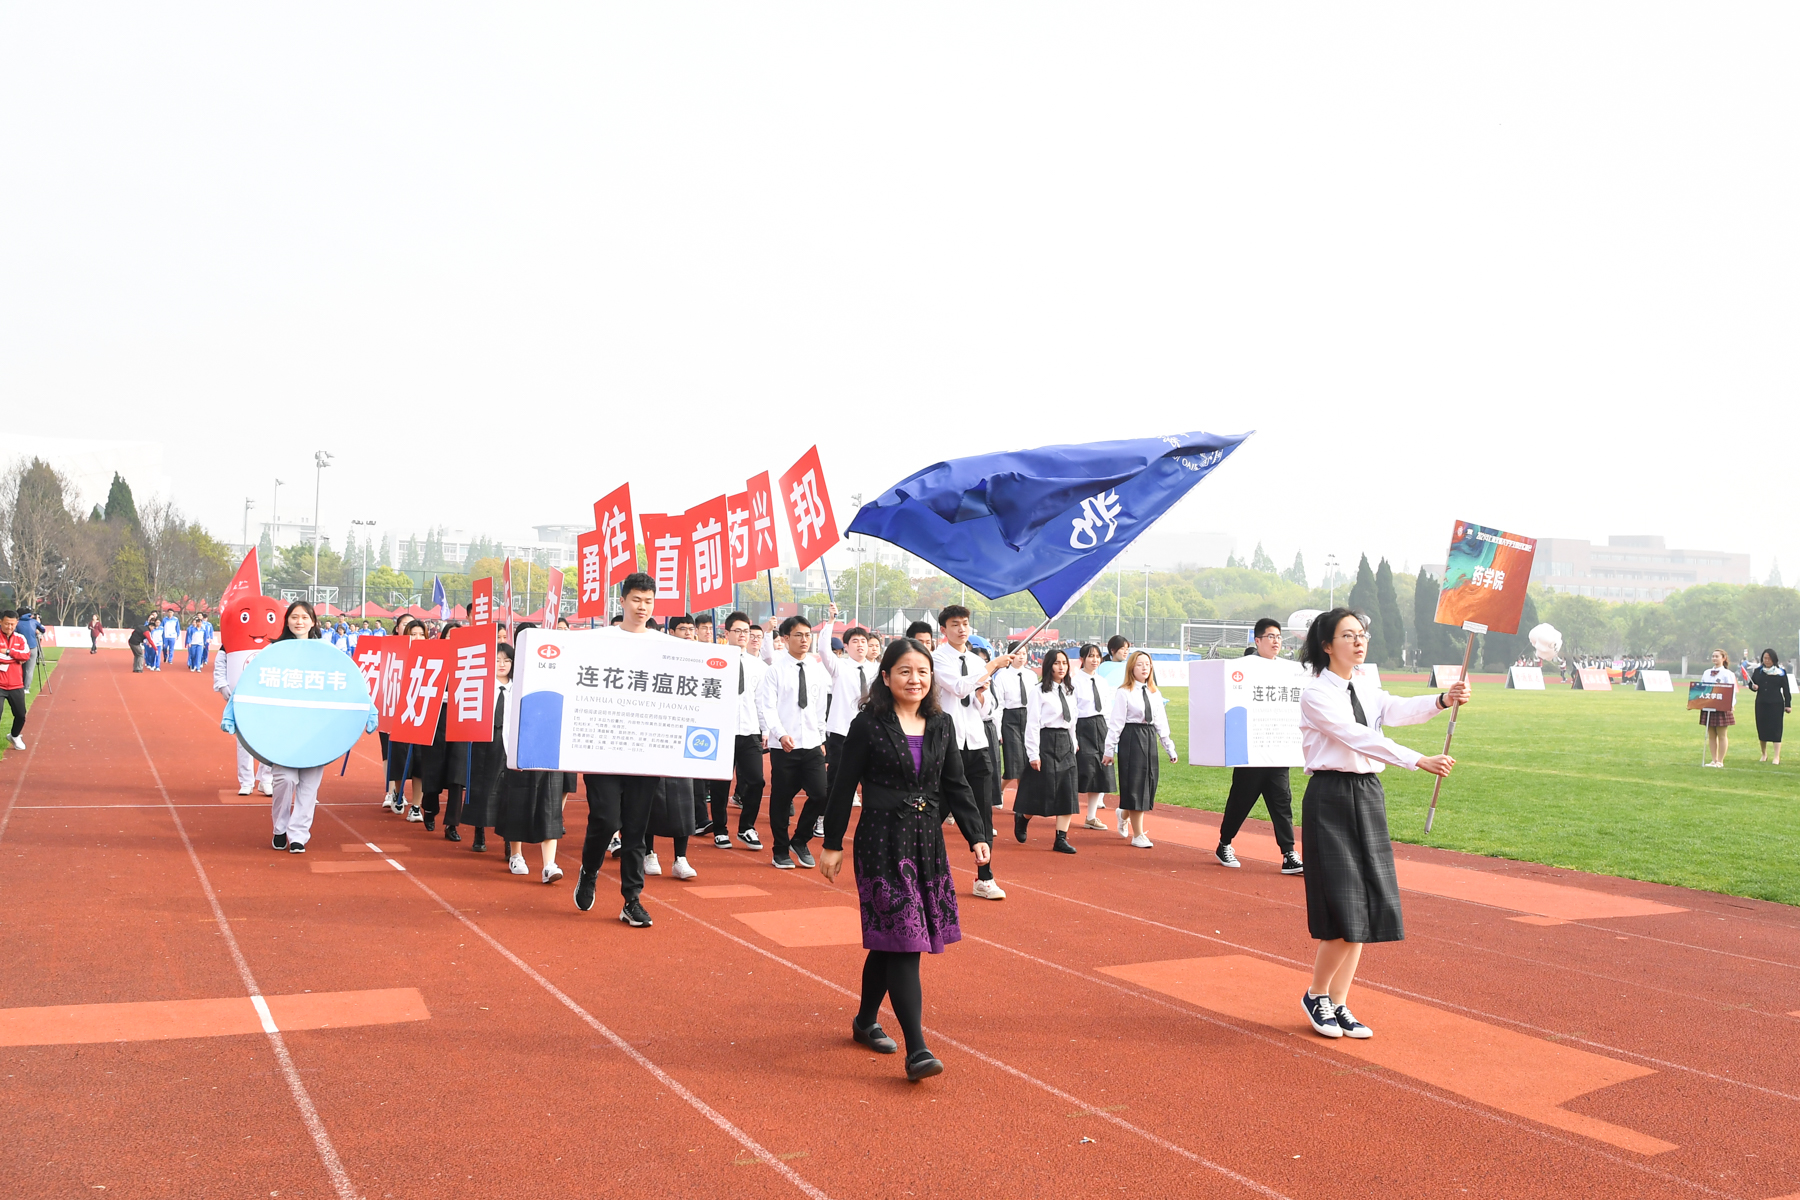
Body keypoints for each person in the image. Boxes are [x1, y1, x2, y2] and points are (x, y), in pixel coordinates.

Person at [817, 636, 990, 1082]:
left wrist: (976, 835)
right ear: (886, 676)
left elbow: (956, 784)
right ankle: (917, 1050)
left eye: (922, 672)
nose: (915, 679)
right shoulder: (867, 724)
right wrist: (832, 842)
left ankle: (864, 1022)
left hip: (926, 843)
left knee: (890, 940)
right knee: (906, 938)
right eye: (905, 671)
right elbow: (842, 785)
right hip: (881, 842)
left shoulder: (941, 724)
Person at [1296, 608, 1466, 1040]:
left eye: (1362, 634)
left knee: (1366, 902)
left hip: (1368, 794)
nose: (1359, 641)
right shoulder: (1316, 694)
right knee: (1344, 905)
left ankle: (1339, 1002)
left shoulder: (1366, 685)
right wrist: (1417, 759)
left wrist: (1442, 700)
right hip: (1331, 797)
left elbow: (1396, 709)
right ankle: (1317, 995)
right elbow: (1357, 736)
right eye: (1348, 635)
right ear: (1326, 645)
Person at [573, 572, 664, 927]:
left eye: (648, 601)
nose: (642, 607)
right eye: (636, 600)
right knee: (606, 819)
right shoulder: (598, 640)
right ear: (622, 601)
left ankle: (632, 900)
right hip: (604, 748)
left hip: (646, 751)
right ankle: (589, 870)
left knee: (635, 830)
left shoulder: (664, 646)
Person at [932, 605, 1014, 900]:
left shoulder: (976, 661)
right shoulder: (938, 658)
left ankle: (985, 877)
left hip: (977, 742)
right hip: (948, 744)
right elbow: (957, 687)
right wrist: (990, 667)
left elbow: (986, 707)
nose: (962, 629)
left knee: (983, 813)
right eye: (955, 624)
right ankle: (914, 866)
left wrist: (981, 695)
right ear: (944, 629)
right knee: (935, 811)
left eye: (965, 623)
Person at [1215, 618, 1305, 874]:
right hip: (1251, 752)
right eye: (1270, 636)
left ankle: (1289, 853)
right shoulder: (1243, 668)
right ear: (1257, 640)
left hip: (1278, 751)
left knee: (1282, 803)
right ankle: (1224, 843)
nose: (1276, 641)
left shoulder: (1290, 670)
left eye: (1279, 637)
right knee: (1240, 802)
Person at [757, 613, 834, 870]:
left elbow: (820, 707)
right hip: (784, 746)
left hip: (811, 744)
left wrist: (821, 738)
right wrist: (780, 734)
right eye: (798, 635)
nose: (804, 640)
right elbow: (768, 707)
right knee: (781, 799)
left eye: (808, 635)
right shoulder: (775, 670)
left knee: (821, 794)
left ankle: (800, 840)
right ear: (785, 638)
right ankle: (780, 850)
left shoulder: (816, 668)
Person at [263, 601, 327, 852]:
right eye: (294, 617)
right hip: (283, 731)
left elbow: (347, 682)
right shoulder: (273, 651)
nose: (299, 622)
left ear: (313, 622)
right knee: (285, 780)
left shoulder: (326, 653)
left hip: (315, 730)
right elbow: (254, 682)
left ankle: (299, 834)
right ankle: (280, 828)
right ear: (287, 620)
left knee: (309, 786)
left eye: (304, 617)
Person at [1102, 650, 1178, 847]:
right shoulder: (1124, 692)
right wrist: (1109, 750)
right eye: (1139, 664)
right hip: (1131, 738)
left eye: (1147, 664)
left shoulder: (1154, 692)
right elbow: (1116, 723)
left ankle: (1123, 813)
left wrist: (1169, 747)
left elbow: (1161, 722)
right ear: (1131, 668)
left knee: (1148, 784)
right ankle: (1138, 835)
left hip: (1149, 737)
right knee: (1135, 785)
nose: (1145, 668)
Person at [1015, 647, 1079, 852]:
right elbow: (1033, 723)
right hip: (1046, 741)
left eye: (1064, 663)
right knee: (1042, 791)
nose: (1061, 667)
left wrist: (1073, 742)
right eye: (1057, 663)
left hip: (1065, 742)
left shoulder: (1070, 691)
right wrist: (1033, 754)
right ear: (1049, 666)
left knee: (1067, 791)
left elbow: (1072, 721)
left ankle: (1061, 838)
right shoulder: (1039, 691)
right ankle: (1023, 817)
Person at [713, 611, 768, 850]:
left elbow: (762, 701)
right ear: (727, 633)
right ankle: (720, 830)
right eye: (738, 631)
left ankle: (747, 827)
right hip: (722, 731)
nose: (744, 635)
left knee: (756, 781)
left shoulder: (759, 666)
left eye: (746, 631)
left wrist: (765, 729)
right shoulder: (715, 660)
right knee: (720, 783)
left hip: (750, 731)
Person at [417, 624, 469, 837]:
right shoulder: (433, 659)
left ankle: (452, 824)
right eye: (450, 636)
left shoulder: (471, 663)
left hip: (462, 721)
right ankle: (430, 809)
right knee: (433, 768)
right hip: (436, 719)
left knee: (458, 774)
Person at [459, 643, 507, 855]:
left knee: (509, 790)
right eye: (497, 660)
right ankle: (479, 831)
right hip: (484, 740)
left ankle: (510, 840)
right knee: (481, 784)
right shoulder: (482, 686)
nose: (502, 664)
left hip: (509, 742)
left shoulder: (518, 686)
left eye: (507, 660)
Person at [384, 619, 429, 817]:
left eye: (421, 634)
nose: (417, 638)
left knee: (420, 763)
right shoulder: (398, 656)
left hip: (423, 716)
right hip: (401, 715)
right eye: (413, 634)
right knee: (400, 759)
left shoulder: (433, 658)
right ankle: (398, 791)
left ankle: (416, 806)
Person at [1072, 643, 1116, 830]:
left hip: (1100, 727)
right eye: (1090, 656)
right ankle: (1064, 813)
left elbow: (1107, 709)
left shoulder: (1102, 682)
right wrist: (1073, 736)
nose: (1095, 660)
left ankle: (1091, 816)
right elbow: (1072, 710)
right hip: (1082, 727)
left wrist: (1110, 733)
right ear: (1082, 659)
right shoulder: (1074, 682)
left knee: (1099, 771)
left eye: (1097, 656)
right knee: (1082, 770)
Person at [1748, 649, 1791, 765]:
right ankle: (1764, 754)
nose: (1766, 661)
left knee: (1776, 729)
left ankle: (1776, 756)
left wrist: (1788, 705)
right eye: (1765, 658)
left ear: (1774, 659)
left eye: (1769, 659)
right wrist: (1753, 687)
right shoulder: (1758, 671)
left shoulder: (1780, 672)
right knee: (1762, 728)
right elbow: (1751, 684)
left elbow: (1786, 690)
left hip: (1776, 704)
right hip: (1761, 703)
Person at [1699, 649, 1737, 767]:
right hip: (1709, 706)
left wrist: (1731, 704)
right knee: (1711, 735)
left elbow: (1732, 691)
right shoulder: (1706, 672)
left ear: (1723, 658)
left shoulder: (1728, 674)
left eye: (1717, 656)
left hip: (1722, 706)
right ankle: (1713, 760)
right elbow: (1701, 688)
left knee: (1722, 734)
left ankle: (1720, 761)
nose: (1714, 658)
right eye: (1713, 656)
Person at [1, 611, 31, 751]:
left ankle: (14, 736)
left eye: (12, 624)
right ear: (1, 622)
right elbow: (20, 658)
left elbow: (26, 655)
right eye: (7, 623)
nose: (9, 627)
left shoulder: (20, 638)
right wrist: (16, 658)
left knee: (20, 715)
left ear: (16, 623)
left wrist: (8, 652)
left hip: (16, 684)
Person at [14, 606, 47, 694]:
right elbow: (43, 630)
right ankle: (26, 688)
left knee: (19, 668)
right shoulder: (33, 621)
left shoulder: (17, 623)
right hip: (32, 647)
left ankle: (19, 686)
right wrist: (37, 623)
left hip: (20, 648)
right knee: (29, 669)